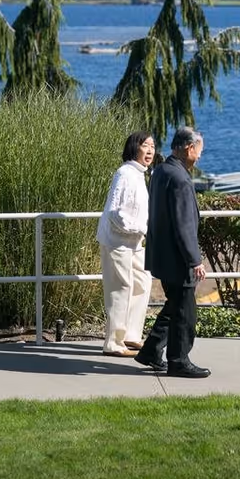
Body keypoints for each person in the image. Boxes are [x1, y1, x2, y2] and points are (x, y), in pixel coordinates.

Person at [135, 127, 211, 378]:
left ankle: (150, 351)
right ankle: (179, 360)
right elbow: (184, 224)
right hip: (178, 258)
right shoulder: (179, 178)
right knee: (185, 313)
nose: (199, 156)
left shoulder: (161, 171)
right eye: (199, 151)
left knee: (175, 306)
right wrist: (195, 260)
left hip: (164, 255)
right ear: (189, 148)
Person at [97, 131, 155, 357]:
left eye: (153, 146)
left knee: (143, 282)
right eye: (145, 145)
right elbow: (114, 211)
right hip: (117, 241)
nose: (150, 150)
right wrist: (137, 228)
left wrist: (141, 232)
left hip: (134, 242)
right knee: (120, 288)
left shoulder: (139, 174)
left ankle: (130, 334)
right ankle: (113, 342)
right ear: (134, 147)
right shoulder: (124, 173)